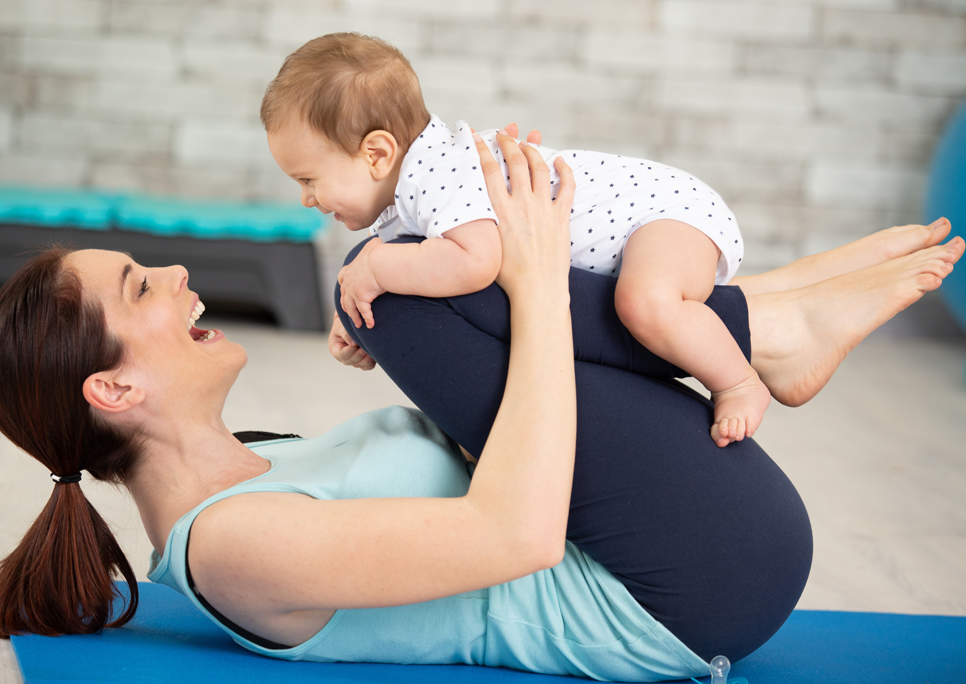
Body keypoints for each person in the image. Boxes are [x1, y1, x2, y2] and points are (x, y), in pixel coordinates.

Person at [0, 132, 962, 681]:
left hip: (668, 551)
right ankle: (766, 324)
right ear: (114, 390)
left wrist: (451, 350)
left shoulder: (256, 463)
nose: (178, 270)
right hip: (680, 591)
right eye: (143, 287)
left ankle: (763, 318)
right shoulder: (226, 546)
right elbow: (518, 533)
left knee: (390, 280)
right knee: (389, 280)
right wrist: (529, 280)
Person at [262, 32, 767, 445]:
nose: (307, 198)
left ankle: (740, 380)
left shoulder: (443, 171)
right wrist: (356, 310)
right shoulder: (407, 196)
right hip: (650, 222)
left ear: (376, 154)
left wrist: (373, 269)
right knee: (634, 309)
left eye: (308, 179)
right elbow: (408, 261)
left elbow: (475, 261)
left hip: (667, 210)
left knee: (647, 303)